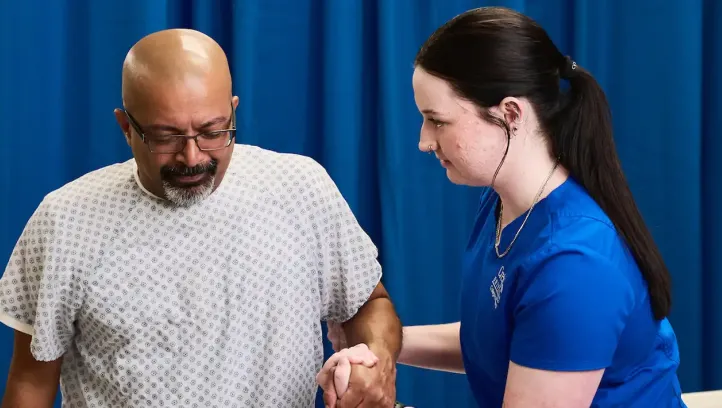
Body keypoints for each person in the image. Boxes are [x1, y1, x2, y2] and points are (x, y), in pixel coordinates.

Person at [0, 28, 401, 408]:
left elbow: (368, 303)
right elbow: (31, 379)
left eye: (212, 131)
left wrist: (377, 361)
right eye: (165, 137)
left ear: (232, 112)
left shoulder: (301, 189)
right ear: (126, 127)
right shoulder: (66, 221)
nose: (192, 157)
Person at [322, 6, 687, 408]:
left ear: (510, 114)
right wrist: (381, 344)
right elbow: (502, 341)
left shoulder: (574, 264)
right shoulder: (503, 204)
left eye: (437, 121)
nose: (424, 141)